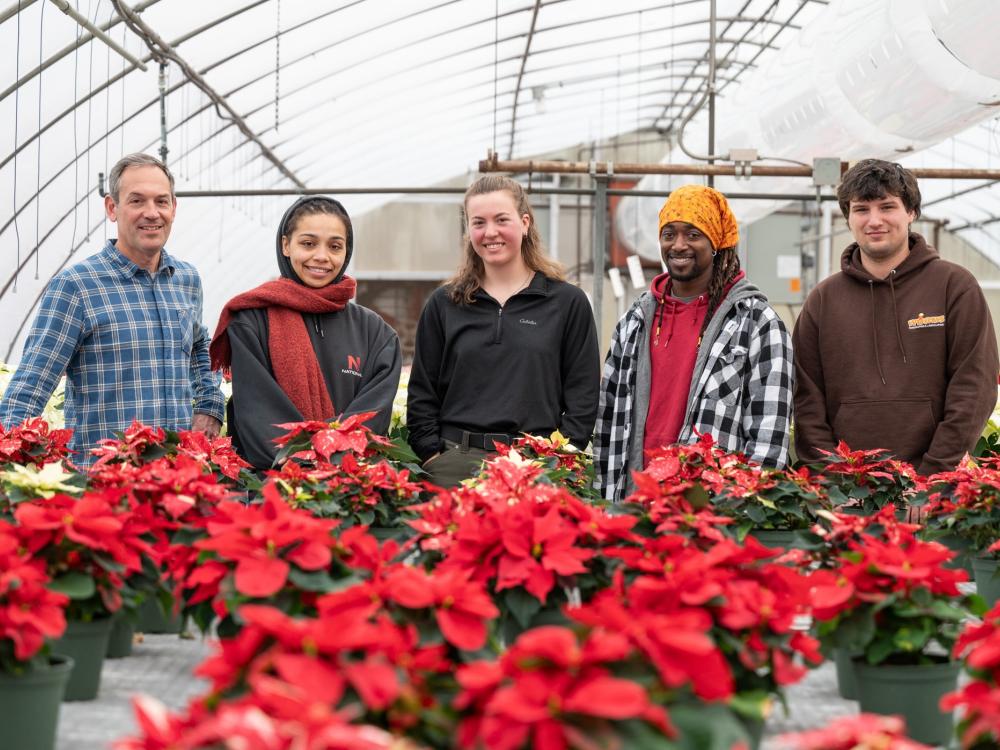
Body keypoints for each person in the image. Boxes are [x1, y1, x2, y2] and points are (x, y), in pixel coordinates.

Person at [0, 153, 224, 467]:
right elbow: (32, 383)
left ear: (174, 208)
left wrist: (210, 404)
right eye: (136, 201)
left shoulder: (186, 280)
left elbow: (200, 345)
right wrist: (10, 461)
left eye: (161, 201)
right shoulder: (77, 286)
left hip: (176, 479)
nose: (151, 213)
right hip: (105, 484)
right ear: (112, 208)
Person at [794, 158, 999, 475]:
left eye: (887, 207)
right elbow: (806, 400)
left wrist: (934, 474)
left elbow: (974, 387)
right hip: (847, 491)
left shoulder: (954, 287)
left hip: (931, 485)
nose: (874, 220)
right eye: (861, 209)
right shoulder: (823, 300)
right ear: (848, 217)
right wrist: (835, 479)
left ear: (911, 212)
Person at [595, 184, 793, 502]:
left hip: (710, 507)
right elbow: (609, 419)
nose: (679, 245)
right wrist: (605, 500)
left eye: (693, 234)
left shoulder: (755, 321)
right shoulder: (636, 321)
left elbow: (770, 429)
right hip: (633, 499)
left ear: (715, 242)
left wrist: (745, 506)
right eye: (669, 234)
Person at [406, 175, 600, 487]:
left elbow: (583, 394)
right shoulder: (444, 304)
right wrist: (433, 457)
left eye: (501, 219)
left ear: (525, 223)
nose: (490, 232)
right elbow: (422, 392)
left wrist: (559, 460)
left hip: (537, 467)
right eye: (478, 222)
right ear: (468, 229)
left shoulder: (566, 302)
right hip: (454, 465)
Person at [210, 196, 401, 470]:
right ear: (286, 245)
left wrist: (333, 466)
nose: (321, 257)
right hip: (273, 492)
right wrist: (310, 466)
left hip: (349, 492)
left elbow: (370, 422)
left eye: (335, 246)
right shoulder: (251, 321)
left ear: (346, 252)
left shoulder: (376, 334)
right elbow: (258, 417)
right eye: (308, 243)